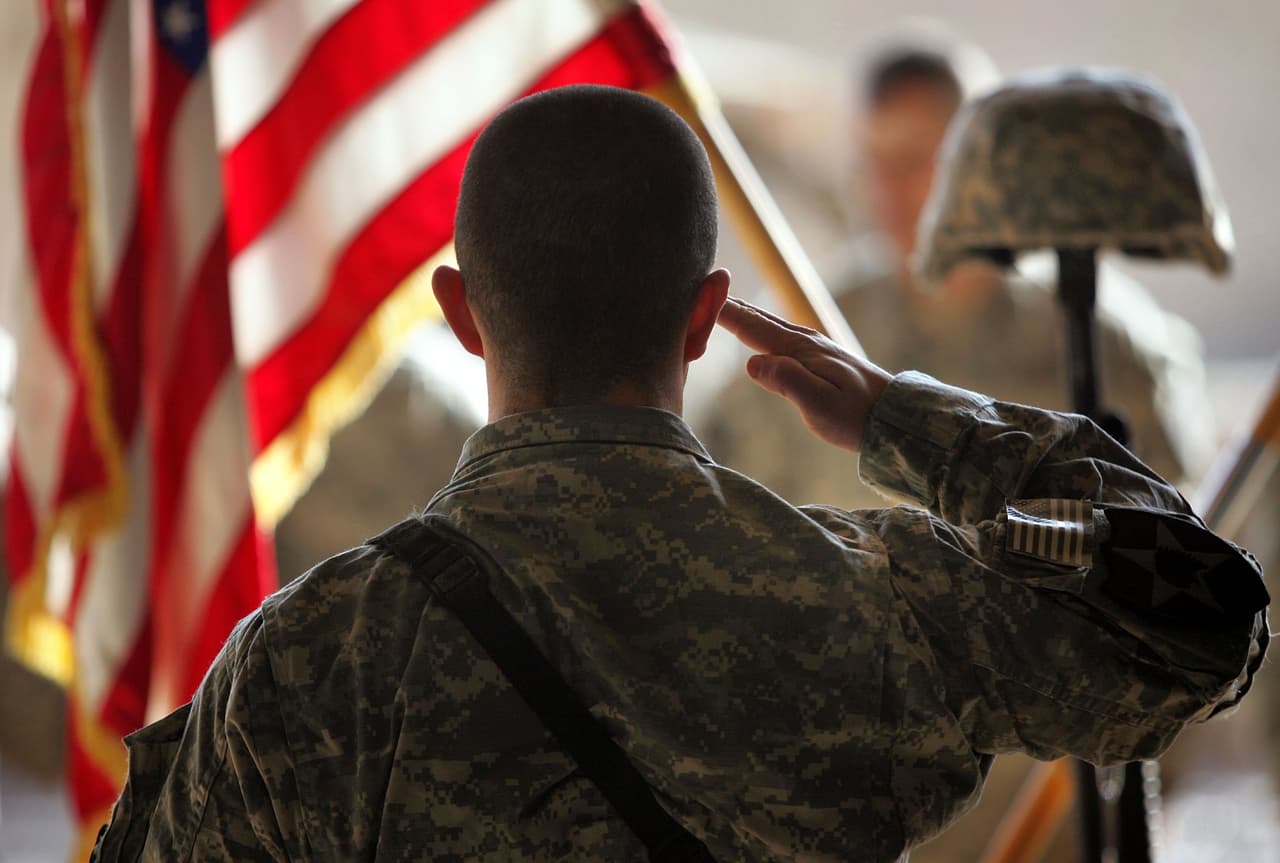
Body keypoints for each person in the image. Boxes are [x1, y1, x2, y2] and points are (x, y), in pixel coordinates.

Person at [91, 85, 1266, 863]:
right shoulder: (869, 598)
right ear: (706, 318)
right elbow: (1200, 619)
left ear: (459, 313)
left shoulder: (308, 655)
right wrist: (902, 418)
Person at [701, 47, 1216, 509]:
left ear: (980, 171)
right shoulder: (807, 331)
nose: (888, 189)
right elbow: (719, 495)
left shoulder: (1104, 348)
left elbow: (1175, 538)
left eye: (914, 160)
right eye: (874, 162)